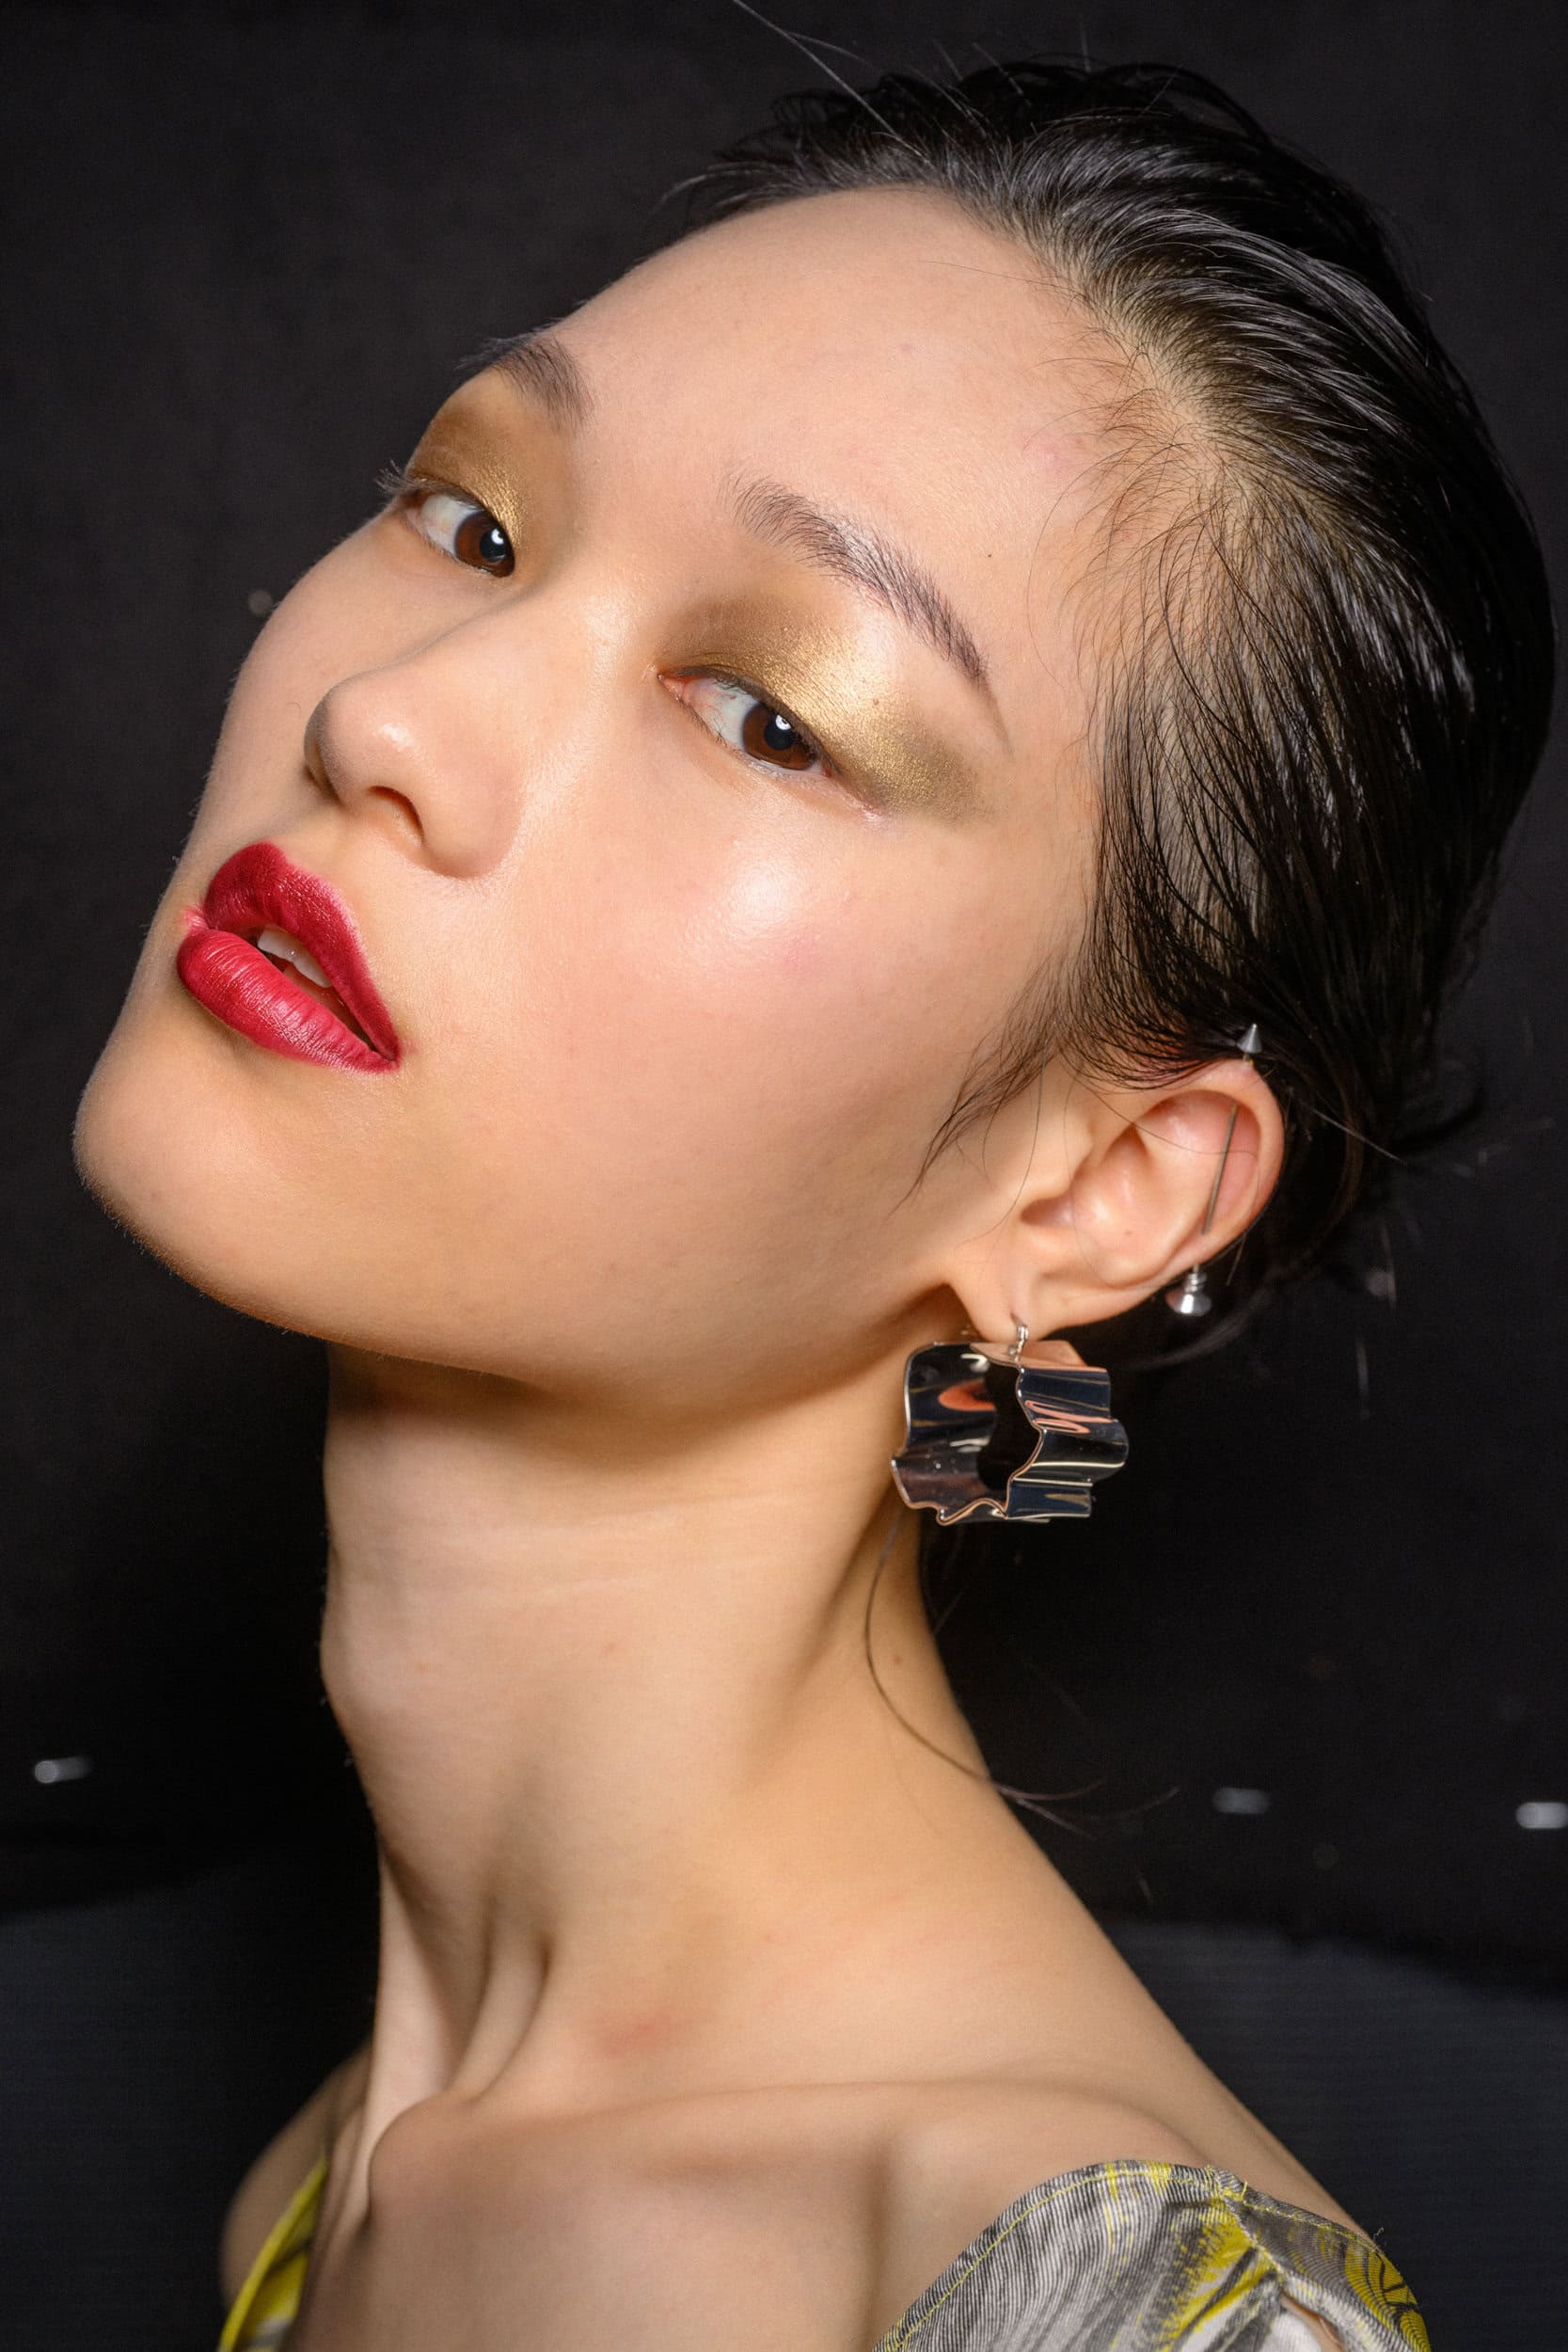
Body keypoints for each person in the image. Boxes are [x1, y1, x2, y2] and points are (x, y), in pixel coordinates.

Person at [72, 53, 1549, 2352]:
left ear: (1104, 1187)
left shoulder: (1096, 2306)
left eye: (771, 714)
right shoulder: (340, 2169)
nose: (392, 719)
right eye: (472, 519)